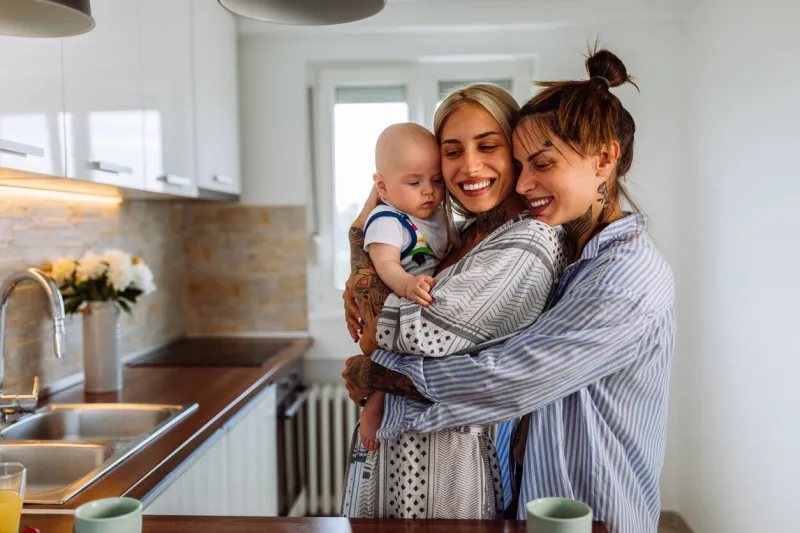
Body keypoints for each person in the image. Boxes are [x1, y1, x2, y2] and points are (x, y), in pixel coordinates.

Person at [342, 48, 676, 533]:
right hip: (538, 501)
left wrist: (382, 374)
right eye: (521, 165)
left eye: (541, 164)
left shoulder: (625, 276)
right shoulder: (575, 253)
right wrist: (366, 266)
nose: (524, 181)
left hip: (597, 507)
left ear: (604, 159)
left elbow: (510, 377)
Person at [341, 84, 567, 519]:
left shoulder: (527, 242)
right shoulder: (460, 234)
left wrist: (358, 247)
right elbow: (382, 309)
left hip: (446, 480)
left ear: (515, 151)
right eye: (452, 151)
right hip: (397, 461)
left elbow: (410, 332)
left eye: (488, 145)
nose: (469, 166)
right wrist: (361, 279)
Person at [359, 122, 452, 451]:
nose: (429, 190)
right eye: (415, 182)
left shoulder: (436, 214)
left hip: (423, 304)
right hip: (398, 304)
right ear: (382, 186)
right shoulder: (388, 219)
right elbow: (385, 264)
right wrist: (407, 283)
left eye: (436, 180)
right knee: (389, 365)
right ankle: (373, 408)